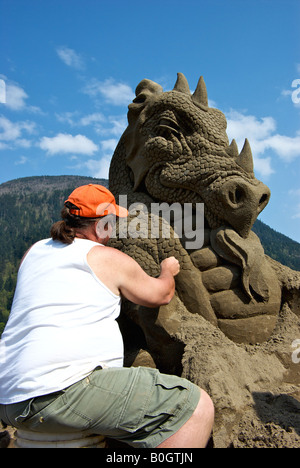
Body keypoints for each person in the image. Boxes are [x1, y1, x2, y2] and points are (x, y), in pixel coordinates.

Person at [0, 184, 214, 448]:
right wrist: (167, 270)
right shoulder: (106, 257)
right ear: (102, 224)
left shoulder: (32, 253)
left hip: (9, 398)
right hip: (61, 392)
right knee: (196, 408)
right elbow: (161, 295)